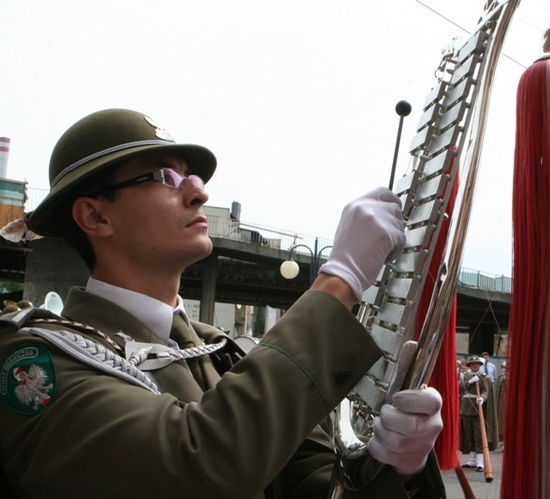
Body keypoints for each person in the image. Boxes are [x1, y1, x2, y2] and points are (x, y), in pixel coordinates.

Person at [0, 109, 445, 498]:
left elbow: (313, 484)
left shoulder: (220, 351)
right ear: (95, 216)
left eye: (193, 178)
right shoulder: (41, 364)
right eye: (165, 177)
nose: (199, 193)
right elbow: (194, 469)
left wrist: (393, 467)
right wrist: (338, 283)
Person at [458, 355, 490, 472]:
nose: (475, 365)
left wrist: (482, 398)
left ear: (479, 365)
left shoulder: (483, 377)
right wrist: (470, 382)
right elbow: (459, 387)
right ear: (470, 366)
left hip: (477, 409)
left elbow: (486, 391)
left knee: (478, 435)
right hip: (466, 408)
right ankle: (472, 460)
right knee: (469, 434)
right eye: (472, 364)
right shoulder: (466, 376)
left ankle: (480, 462)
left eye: (477, 364)